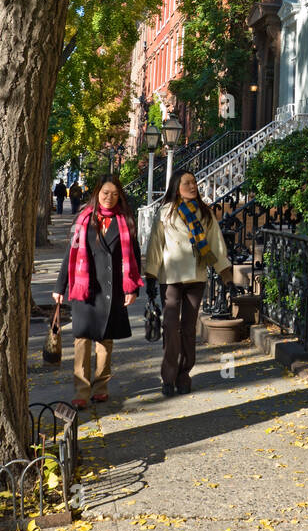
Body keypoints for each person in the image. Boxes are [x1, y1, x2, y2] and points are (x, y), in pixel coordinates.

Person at [53, 175, 142, 409]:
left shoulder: (125, 221)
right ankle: (81, 391)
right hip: (84, 287)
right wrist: (60, 287)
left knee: (105, 340)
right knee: (81, 339)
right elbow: (69, 254)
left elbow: (134, 255)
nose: (109, 198)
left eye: (114, 194)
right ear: (97, 194)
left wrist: (132, 288)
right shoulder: (83, 218)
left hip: (111, 288)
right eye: (105, 193)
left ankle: (101, 387)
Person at [144, 169, 233, 397]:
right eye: (187, 183)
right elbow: (156, 245)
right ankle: (168, 376)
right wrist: (151, 277)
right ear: (176, 186)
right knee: (171, 328)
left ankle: (184, 375)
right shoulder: (165, 213)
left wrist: (226, 274)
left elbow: (216, 244)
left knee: (189, 329)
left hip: (196, 276)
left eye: (194, 182)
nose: (193, 186)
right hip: (171, 277)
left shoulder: (205, 213)